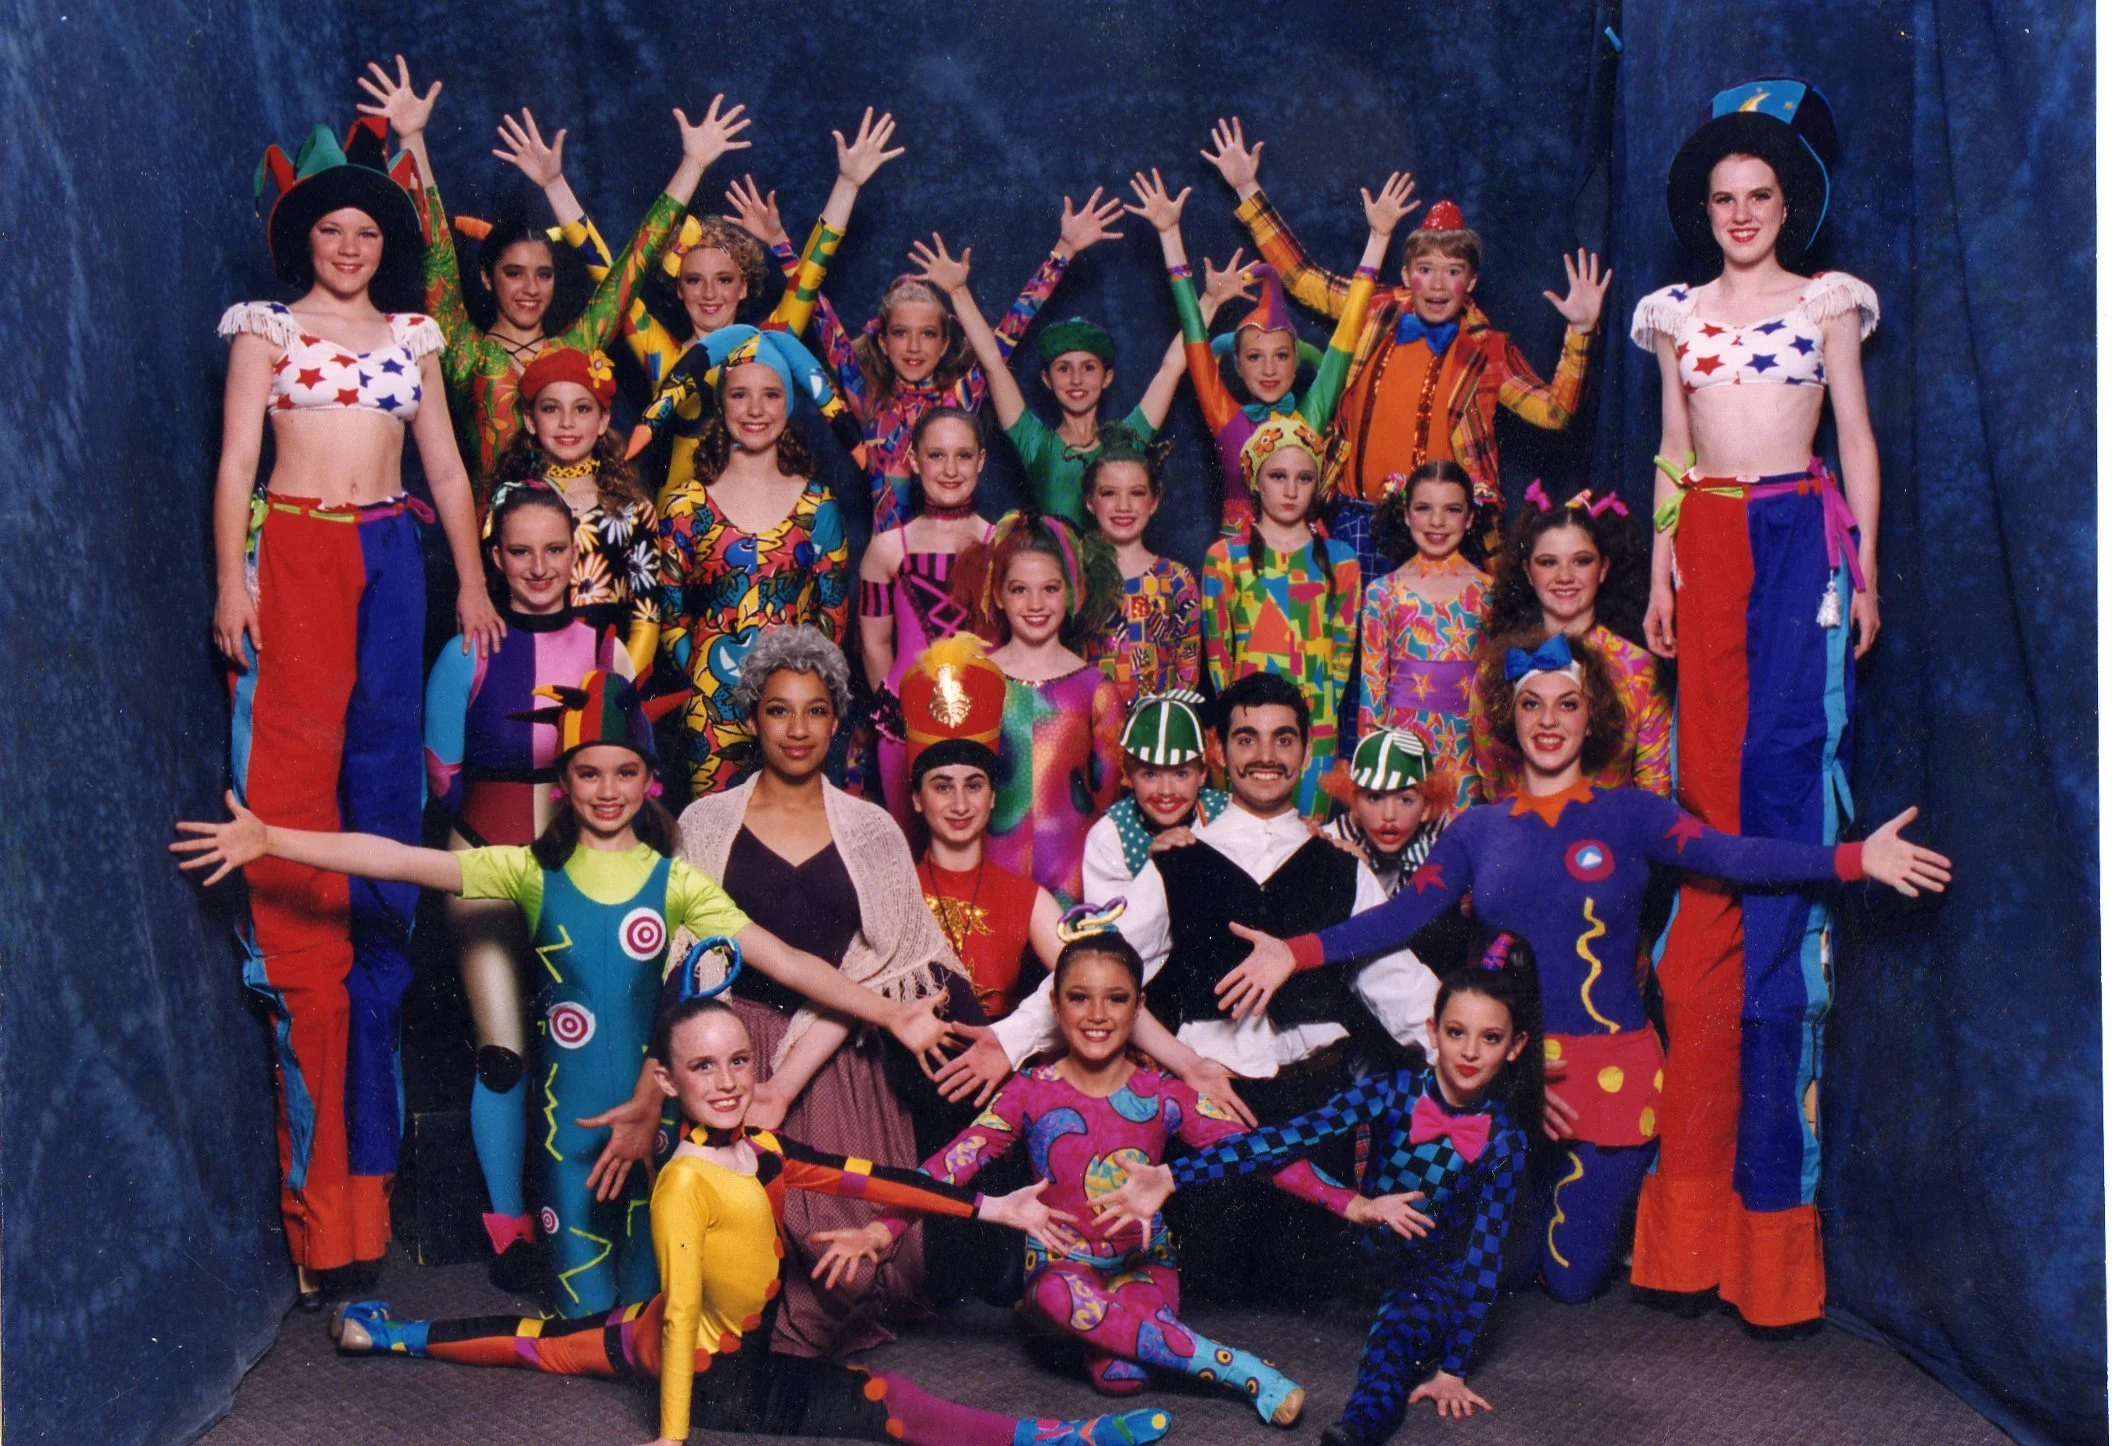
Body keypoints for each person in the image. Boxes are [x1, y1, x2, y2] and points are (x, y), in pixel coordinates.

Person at [173, 669, 954, 1318]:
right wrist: (271, 840)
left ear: (649, 783)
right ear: (563, 781)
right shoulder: (528, 872)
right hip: (566, 1139)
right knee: (585, 1322)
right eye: (588, 772)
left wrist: (889, 1012)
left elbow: (785, 959)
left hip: (661, 1141)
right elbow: (394, 858)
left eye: (623, 772)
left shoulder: (677, 881)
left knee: (655, 1326)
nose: (606, 790)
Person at [1212, 633, 1950, 1308]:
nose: (1549, 720)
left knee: (1570, 1284)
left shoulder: (1632, 814)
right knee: (1492, 1273)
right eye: (1531, 703)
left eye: (1567, 703)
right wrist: (1295, 949)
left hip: (1615, 1082)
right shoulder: (1477, 828)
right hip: (1508, 1083)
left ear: (1591, 714)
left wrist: (1855, 859)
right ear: (1510, 713)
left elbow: (1734, 856)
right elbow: (1397, 919)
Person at [329, 985, 1171, 1446]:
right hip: (707, 1371)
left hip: (645, 1327)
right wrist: (670, 1439)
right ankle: (1059, 1436)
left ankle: (383, 1333)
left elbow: (867, 1177)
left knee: (540, 1340)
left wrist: (992, 1206)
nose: (729, 1081)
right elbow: (686, 1309)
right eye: (704, 1067)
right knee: (889, 1400)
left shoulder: (759, 1150)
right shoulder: (684, 1184)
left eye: (739, 1060)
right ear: (667, 1081)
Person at [214, 110, 503, 1301]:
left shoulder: (416, 338)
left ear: (385, 243)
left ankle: (361, 1223)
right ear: (308, 241)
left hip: (392, 561)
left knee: (384, 798)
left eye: (362, 231)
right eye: (328, 229)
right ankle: (316, 1212)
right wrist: (230, 575)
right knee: (289, 769)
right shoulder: (265, 330)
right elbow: (237, 460)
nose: (346, 246)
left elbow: (444, 469)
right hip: (297, 549)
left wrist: (474, 582)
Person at [1628, 79, 1884, 1332]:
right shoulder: (1674, 316)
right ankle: (1681, 1242)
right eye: (1724, 197)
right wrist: (1666, 566)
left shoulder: (1823, 304)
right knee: (1709, 818)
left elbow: (1858, 439)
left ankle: (1775, 1250)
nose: (1740, 213)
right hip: (1715, 540)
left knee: (1785, 787)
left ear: (1790, 204)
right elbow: (1674, 450)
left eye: (1761, 196)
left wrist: (1867, 569)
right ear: (1705, 209)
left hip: (1797, 539)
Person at [983, 674, 1441, 1302]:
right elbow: (1098, 966)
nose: (1266, 756)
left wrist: (1485, 1065)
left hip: (1312, 1104)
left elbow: (1403, 985)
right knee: (1208, 1283)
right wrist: (1006, 1041)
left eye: (1284, 740)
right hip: (1214, 1106)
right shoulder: (1175, 862)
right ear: (1221, 751)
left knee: (1310, 1288)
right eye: (1247, 739)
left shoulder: (1340, 866)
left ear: (1306, 753)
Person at [829, 927, 1376, 1424]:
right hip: (1061, 1267)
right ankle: (1245, 1372)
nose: (1097, 1014)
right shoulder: (1030, 1091)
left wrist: (1349, 1203)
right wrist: (881, 1231)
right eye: (1079, 997)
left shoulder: (1165, 1095)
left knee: (1121, 1376)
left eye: (1116, 999)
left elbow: (1257, 1153)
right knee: (1065, 1303)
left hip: (1144, 1262)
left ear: (1138, 1007)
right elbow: (950, 1164)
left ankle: (1092, 1332)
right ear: (1055, 1005)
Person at [674, 627, 973, 1356]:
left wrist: (788, 1078)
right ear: (753, 718)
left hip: (839, 1049)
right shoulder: (704, 823)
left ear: (837, 720)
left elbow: (890, 971)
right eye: (779, 710)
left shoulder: (872, 830)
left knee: (860, 1279)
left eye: (815, 711)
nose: (798, 729)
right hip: (731, 1045)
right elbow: (689, 960)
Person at [1095, 952, 1539, 1443]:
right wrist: (1173, 1176)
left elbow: (1484, 1255)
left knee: (1389, 1353)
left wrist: (1454, 1368)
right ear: (1432, 1032)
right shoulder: (1391, 1091)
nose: (1471, 1052)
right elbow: (1285, 1139)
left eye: (1490, 1038)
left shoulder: (1503, 1142)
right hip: (1356, 1247)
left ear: (1515, 1046)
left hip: (1426, 1272)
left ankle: (1354, 1432)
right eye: (1457, 1033)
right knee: (1253, 1242)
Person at [1205, 116, 1608, 569]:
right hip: (1355, 518)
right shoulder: (1375, 312)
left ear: (1470, 280)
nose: (1437, 284)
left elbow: (1554, 412)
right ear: (1405, 274)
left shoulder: (1487, 350)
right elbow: (1301, 278)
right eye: (1426, 268)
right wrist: (1246, 187)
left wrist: (1581, 332)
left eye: (1453, 271)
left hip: (1446, 532)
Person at [421, 481, 632, 1286]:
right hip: (483, 870)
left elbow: (635, 777)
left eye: (554, 549)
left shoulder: (607, 652)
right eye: (519, 551)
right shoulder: (465, 653)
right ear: (495, 559)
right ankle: (509, 1230)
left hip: (583, 881)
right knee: (504, 1054)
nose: (538, 567)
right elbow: (441, 777)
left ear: (576, 555)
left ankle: (581, 1220)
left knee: (588, 1050)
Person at [356, 56, 745, 484]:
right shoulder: (466, 351)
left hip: (580, 542)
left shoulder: (575, 347)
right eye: (514, 273)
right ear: (487, 278)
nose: (530, 288)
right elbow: (438, 255)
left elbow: (633, 264)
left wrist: (692, 166)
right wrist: (412, 137)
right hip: (496, 544)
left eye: (543, 274)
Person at [625, 108, 905, 498]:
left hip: (764, 536)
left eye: (724, 280)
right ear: (678, 289)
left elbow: (811, 272)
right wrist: (691, 166)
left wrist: (847, 184)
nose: (709, 294)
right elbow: (614, 275)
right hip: (679, 539)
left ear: (744, 287)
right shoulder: (659, 350)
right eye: (694, 280)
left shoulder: (771, 342)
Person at [810, 192, 1126, 532]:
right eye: (901, 333)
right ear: (883, 342)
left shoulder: (958, 400)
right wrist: (781, 244)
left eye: (928, 334)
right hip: (890, 573)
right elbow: (815, 304)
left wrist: (1064, 250)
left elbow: (1012, 328)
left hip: (961, 567)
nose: (914, 347)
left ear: (946, 342)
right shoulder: (870, 400)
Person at [1127, 166, 1408, 533]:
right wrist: (1168, 234)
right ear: (1238, 367)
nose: (1270, 370)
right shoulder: (1225, 416)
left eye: (1281, 356)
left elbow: (1349, 329)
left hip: (1306, 563)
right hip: (1239, 565)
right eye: (1255, 358)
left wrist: (1379, 237)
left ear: (1296, 363)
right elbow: (1194, 330)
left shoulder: (1310, 417)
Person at [656, 326, 851, 797]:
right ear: (722, 404)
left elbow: (833, 620)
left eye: (771, 394)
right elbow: (671, 615)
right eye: (741, 395)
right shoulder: (686, 506)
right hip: (711, 715)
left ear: (789, 404)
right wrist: (704, 680)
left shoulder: (817, 506)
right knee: (712, 845)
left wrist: (804, 691)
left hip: (796, 712)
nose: (756, 410)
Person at [933, 237, 1253, 524]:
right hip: (1053, 585)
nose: (1076, 379)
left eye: (1088, 367)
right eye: (1063, 368)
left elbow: (1171, 367)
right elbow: (993, 364)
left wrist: (1210, 301)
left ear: (1107, 377)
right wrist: (958, 293)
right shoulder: (1034, 442)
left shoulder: (1128, 438)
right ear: (1046, 379)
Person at [953, 512, 1125, 907]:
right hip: (986, 879)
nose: (1035, 604)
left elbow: (1108, 808)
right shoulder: (973, 681)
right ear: (997, 595)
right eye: (1018, 590)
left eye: (1050, 589)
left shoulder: (1098, 691)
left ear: (1072, 592)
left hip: (1074, 882)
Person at [1200, 414, 1360, 819]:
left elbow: (1340, 661)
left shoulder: (1341, 560)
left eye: (1304, 478)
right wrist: (1237, 722)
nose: (1290, 491)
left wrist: (1317, 724)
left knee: (1307, 843)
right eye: (1278, 476)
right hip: (1246, 727)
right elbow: (1219, 660)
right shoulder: (1225, 558)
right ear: (1256, 480)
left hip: (1316, 728)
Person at [1470, 484, 1667, 799]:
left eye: (1581, 561)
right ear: (1528, 572)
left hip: (1610, 841)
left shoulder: (1640, 667)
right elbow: (1493, 783)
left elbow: (1655, 791)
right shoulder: (1500, 664)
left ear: (1603, 569)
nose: (1565, 576)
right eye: (1548, 562)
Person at [486, 346, 663, 672]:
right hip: (526, 663)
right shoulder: (507, 501)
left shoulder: (632, 509)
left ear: (603, 420)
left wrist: (615, 692)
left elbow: (647, 617)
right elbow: (490, 601)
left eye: (582, 409)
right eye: (551, 409)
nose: (567, 423)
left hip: (605, 668)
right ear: (530, 420)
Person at [859, 406, 996, 826]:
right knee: (909, 848)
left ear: (981, 461)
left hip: (985, 720)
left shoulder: (1002, 544)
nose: (950, 469)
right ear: (915, 461)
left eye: (963, 455)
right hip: (906, 725)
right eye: (936, 455)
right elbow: (874, 643)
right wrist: (900, 713)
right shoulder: (886, 549)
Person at [1355, 461, 1493, 807]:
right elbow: (1372, 691)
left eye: (1452, 509)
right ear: (1406, 514)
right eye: (1424, 508)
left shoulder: (1490, 593)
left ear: (1470, 518)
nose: (1437, 522)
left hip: (1468, 751)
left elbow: (1496, 688)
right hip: (1402, 747)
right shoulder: (1382, 593)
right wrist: (1370, 768)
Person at [1077, 431, 1204, 709]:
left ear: (1154, 501)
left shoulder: (1176, 580)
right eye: (1109, 493)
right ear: (1089, 500)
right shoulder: (1074, 574)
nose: (1123, 506)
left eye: (1137, 493)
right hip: (1090, 726)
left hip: (1158, 734)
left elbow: (1188, 667)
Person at [1080, 691, 1230, 905]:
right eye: (1150, 774)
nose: (1166, 791)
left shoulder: (1225, 813)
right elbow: (1111, 932)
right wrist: (1155, 869)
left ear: (1202, 774)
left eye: (1180, 774)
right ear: (1129, 775)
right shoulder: (1109, 838)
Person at [1319, 728, 1452, 897]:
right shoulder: (1334, 840)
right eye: (1374, 798)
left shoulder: (1446, 839)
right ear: (1354, 805)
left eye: (1405, 800)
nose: (1389, 815)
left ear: (1426, 808)